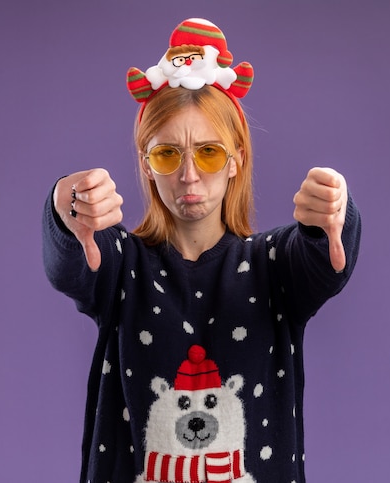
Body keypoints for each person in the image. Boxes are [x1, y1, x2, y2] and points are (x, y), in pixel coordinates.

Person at [43, 18, 361, 483]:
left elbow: (320, 261)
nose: (188, 176)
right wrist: (64, 207)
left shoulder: (273, 265)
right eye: (167, 154)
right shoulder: (120, 263)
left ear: (237, 158)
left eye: (208, 153)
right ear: (146, 164)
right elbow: (71, 264)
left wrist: (334, 217)